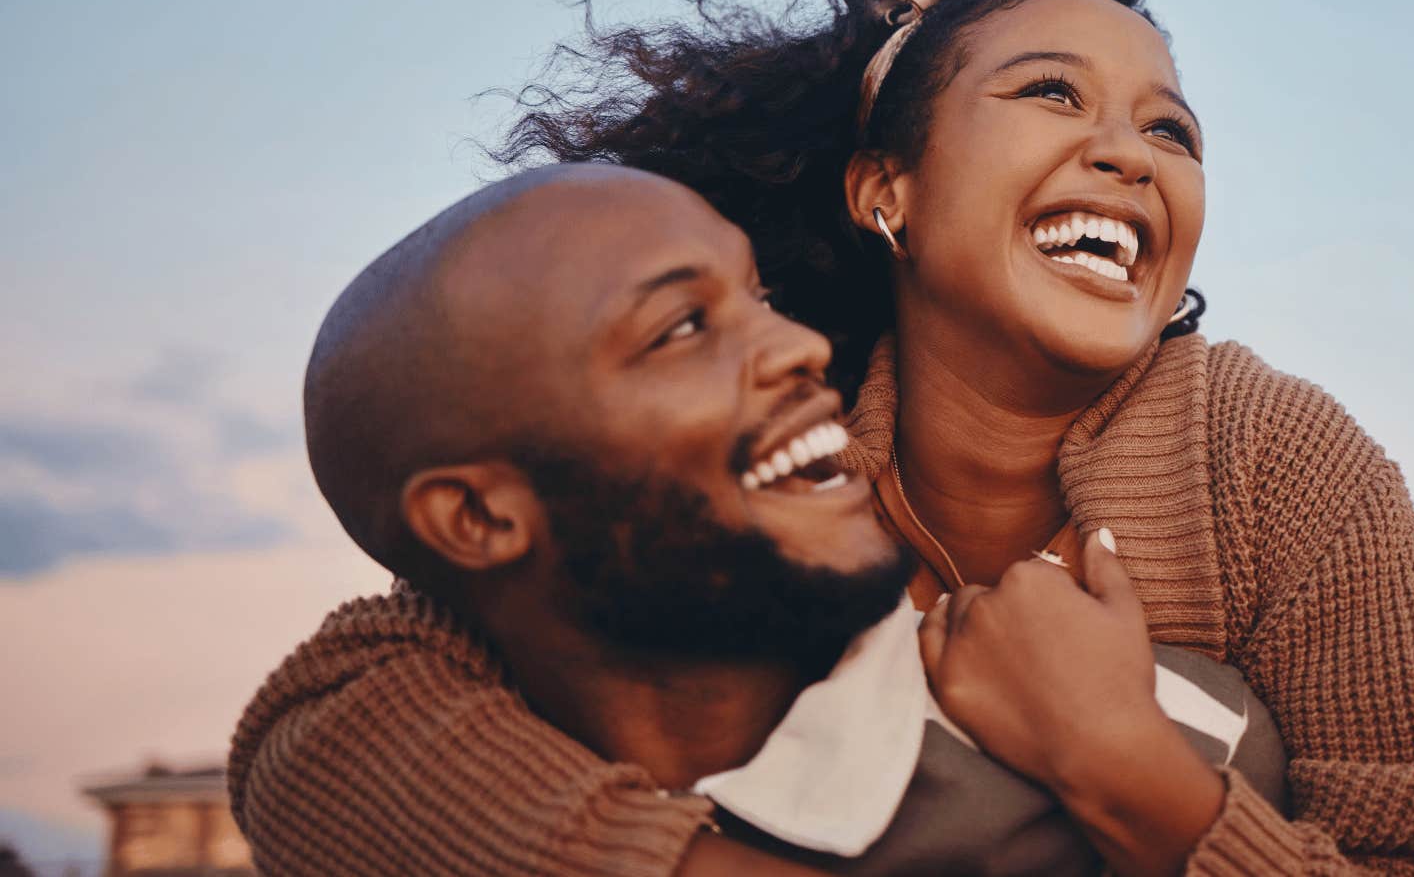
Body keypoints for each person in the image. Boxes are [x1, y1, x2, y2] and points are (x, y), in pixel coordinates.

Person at [234, 0, 1414, 874]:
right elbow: (328, 725)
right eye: (1052, 93)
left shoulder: (1277, 464)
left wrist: (1134, 774)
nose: (1129, 154)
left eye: (1172, 129)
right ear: (888, 191)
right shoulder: (778, 431)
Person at [231, 162, 1286, 876]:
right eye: (683, 326)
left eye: (760, 296)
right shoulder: (402, 775)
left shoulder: (1184, 734)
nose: (799, 349)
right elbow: (306, 734)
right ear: (474, 517)